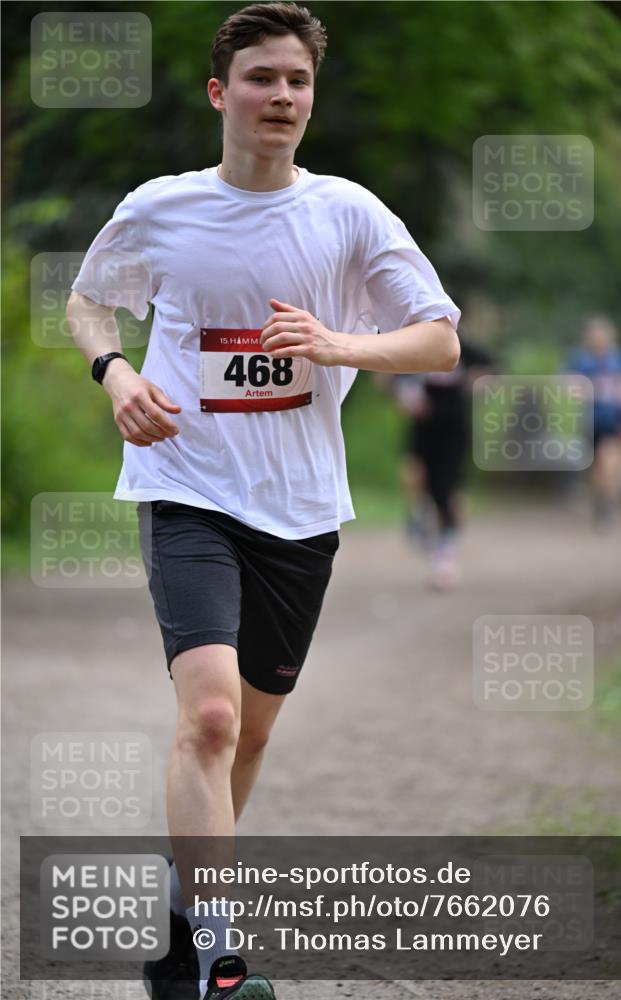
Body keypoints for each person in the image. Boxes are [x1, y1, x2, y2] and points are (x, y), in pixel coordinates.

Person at [66, 4, 460, 998]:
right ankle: (215, 959)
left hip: (301, 507)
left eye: (297, 81)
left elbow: (438, 338)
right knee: (207, 719)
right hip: (187, 486)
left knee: (250, 729)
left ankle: (178, 921)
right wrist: (114, 373)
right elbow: (86, 296)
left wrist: (337, 345)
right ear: (219, 92)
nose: (281, 96)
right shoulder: (162, 206)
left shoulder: (349, 213)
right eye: (261, 78)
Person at [393, 339, 494, 588]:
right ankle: (417, 514)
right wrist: (404, 397)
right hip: (422, 424)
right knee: (412, 471)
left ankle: (445, 551)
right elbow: (392, 376)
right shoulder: (417, 341)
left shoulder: (464, 347)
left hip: (453, 427)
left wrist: (478, 381)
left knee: (447, 489)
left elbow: (494, 370)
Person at [567, 316, 621, 529]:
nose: (598, 339)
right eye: (594, 335)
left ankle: (606, 505)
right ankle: (601, 499)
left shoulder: (617, 358)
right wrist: (581, 391)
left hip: (612, 421)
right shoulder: (580, 359)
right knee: (596, 468)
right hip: (589, 422)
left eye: (601, 335)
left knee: (608, 461)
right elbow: (566, 384)